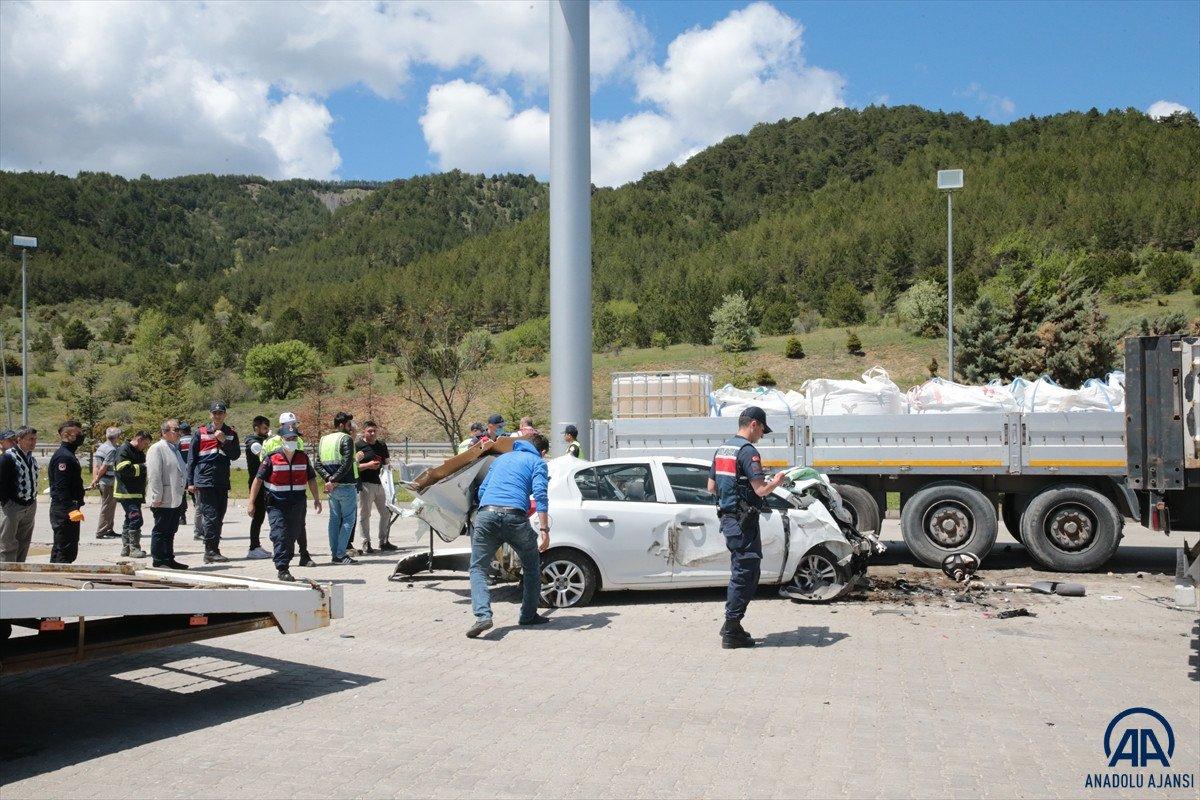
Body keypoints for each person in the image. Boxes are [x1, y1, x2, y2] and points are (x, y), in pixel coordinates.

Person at [706, 406, 786, 649]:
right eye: (762, 429)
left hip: (729, 519)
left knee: (746, 570)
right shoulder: (748, 451)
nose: (761, 434)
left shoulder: (723, 449)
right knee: (745, 572)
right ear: (753, 424)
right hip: (743, 522)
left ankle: (733, 624)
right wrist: (777, 481)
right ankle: (731, 628)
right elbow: (760, 490)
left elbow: (711, 487)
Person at [465, 433, 552, 638]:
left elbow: (482, 490)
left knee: (477, 568)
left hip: (487, 515)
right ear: (543, 451)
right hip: (515, 518)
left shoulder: (501, 459)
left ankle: (483, 616)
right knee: (531, 567)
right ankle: (528, 615)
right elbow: (540, 495)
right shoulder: (537, 461)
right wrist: (544, 530)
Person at [248, 423, 321, 581]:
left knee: (293, 534)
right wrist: (251, 502)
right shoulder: (271, 458)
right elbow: (258, 480)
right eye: (288, 438)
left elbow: (312, 479)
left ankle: (285, 559)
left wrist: (316, 499)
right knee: (280, 534)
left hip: (297, 503)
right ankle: (282, 568)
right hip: (276, 504)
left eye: (294, 437)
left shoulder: (302, 457)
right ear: (282, 440)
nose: (292, 440)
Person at [186, 402, 240, 563]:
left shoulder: (230, 433)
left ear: (225, 414)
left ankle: (214, 549)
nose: (218, 416)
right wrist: (190, 481)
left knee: (220, 515)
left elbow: (235, 455)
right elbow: (191, 459)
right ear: (210, 414)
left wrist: (224, 441)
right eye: (215, 413)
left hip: (222, 479)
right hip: (205, 479)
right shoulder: (200, 432)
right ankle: (209, 550)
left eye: (220, 413)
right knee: (210, 516)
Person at [145, 419, 188, 570]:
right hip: (162, 498)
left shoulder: (174, 448)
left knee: (171, 530)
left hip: (175, 497)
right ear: (164, 432)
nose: (178, 433)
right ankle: (159, 560)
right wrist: (156, 496)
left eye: (179, 430)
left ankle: (169, 558)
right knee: (161, 529)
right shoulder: (157, 448)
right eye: (175, 430)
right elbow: (154, 474)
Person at [317, 411, 359, 565]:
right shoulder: (346, 439)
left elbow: (317, 464)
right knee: (348, 520)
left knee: (334, 520)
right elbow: (347, 463)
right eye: (349, 425)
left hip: (332, 488)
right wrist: (333, 480)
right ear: (341, 425)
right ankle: (341, 554)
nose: (350, 428)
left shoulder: (323, 439)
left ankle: (335, 554)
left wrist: (329, 480)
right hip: (345, 486)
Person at [49, 420, 86, 563]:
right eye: (78, 434)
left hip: (70, 508)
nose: (80, 436)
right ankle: (58, 580)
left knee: (69, 548)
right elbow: (61, 486)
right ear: (67, 435)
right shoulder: (63, 456)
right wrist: (70, 508)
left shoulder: (69, 454)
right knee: (63, 549)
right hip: (64, 509)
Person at [0, 426, 39, 562]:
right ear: (19, 439)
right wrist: (7, 503)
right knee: (8, 543)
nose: (33, 442)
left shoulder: (31, 458)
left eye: (35, 439)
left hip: (29, 505)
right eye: (30, 439)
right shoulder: (8, 457)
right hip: (13, 506)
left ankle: (20, 568)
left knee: (24, 541)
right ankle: (7, 574)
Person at [356, 420, 395, 553]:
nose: (372, 433)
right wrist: (368, 465)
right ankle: (366, 542)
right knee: (365, 515)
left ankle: (383, 541)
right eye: (369, 431)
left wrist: (389, 468)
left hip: (381, 484)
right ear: (364, 432)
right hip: (366, 484)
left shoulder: (382, 445)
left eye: (374, 431)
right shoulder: (358, 446)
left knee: (386, 513)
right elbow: (353, 468)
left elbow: (387, 462)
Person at [114, 430, 151, 558]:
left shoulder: (138, 452)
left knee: (129, 519)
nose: (145, 447)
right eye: (145, 444)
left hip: (135, 492)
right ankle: (134, 548)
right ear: (139, 439)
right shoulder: (124, 450)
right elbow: (122, 468)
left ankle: (126, 548)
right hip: (127, 492)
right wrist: (143, 467)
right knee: (136, 519)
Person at [243, 415, 272, 559]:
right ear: (256, 428)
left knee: (261, 515)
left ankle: (256, 545)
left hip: (265, 482)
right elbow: (263, 455)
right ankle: (253, 547)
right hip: (256, 482)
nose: (267, 430)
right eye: (265, 428)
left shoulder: (263, 440)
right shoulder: (252, 442)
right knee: (258, 515)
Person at [89, 427, 122, 540]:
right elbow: (104, 467)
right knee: (107, 507)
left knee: (110, 506)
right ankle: (101, 531)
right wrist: (97, 479)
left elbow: (96, 465)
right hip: (108, 481)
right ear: (117, 437)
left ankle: (109, 529)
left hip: (103, 481)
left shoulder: (101, 447)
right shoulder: (112, 449)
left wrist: (95, 478)